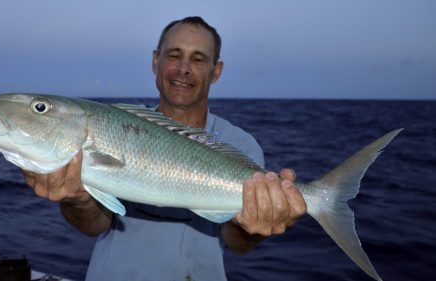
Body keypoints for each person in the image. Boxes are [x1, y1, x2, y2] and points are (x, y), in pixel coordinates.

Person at [21, 16, 307, 281]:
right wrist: (77, 199)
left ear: (215, 71)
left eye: (198, 58)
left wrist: (257, 224)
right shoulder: (115, 127)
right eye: (174, 55)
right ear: (156, 61)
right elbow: (93, 225)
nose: (183, 68)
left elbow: (238, 243)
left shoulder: (240, 144)